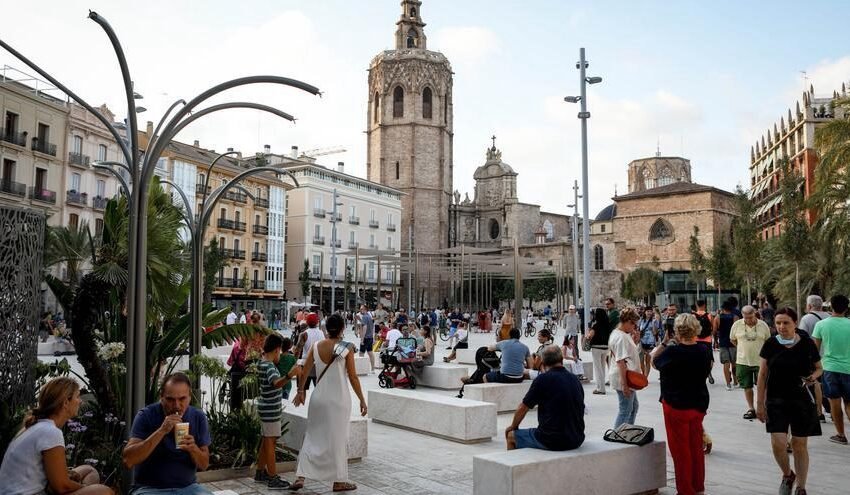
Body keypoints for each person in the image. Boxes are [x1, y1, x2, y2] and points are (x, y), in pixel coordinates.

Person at [290, 314, 367, 492]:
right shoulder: (346, 348)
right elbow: (353, 377)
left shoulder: (316, 346)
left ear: (326, 328)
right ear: (342, 329)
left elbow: (305, 369)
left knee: (312, 436)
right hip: (338, 399)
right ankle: (339, 481)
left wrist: (300, 391)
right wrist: (362, 399)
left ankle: (301, 476)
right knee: (338, 440)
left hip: (318, 399)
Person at [0, 377, 113, 495]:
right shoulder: (50, 432)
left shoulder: (37, 426)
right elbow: (61, 486)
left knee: (89, 471)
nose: (80, 401)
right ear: (65, 402)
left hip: (35, 488)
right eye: (77, 396)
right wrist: (84, 487)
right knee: (104, 492)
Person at [756, 307, 822, 495]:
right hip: (776, 400)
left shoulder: (807, 343)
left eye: (786, 323)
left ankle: (801, 487)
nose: (781, 327)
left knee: (799, 444)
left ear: (795, 323)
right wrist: (759, 403)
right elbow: (762, 375)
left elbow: (819, 368)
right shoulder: (770, 343)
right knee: (778, 443)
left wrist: (813, 377)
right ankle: (787, 474)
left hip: (802, 400)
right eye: (778, 323)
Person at [652, 314, 713, 495]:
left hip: (676, 405)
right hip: (698, 403)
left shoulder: (672, 352)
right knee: (695, 448)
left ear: (677, 331)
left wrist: (665, 342)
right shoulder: (704, 350)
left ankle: (686, 489)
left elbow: (655, 362)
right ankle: (698, 487)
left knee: (680, 452)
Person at [122, 372, 212, 494]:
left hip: (188, 488)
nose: (177, 405)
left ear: (189, 397)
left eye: (182, 399)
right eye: (170, 399)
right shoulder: (146, 416)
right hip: (150, 489)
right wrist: (162, 431)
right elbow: (128, 460)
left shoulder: (198, 417)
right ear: (162, 397)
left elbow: (204, 464)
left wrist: (193, 449)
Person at [505, 346, 585, 451]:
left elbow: (523, 408)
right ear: (561, 359)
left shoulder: (542, 379)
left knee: (511, 436)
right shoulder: (574, 379)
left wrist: (513, 426)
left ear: (543, 362)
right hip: (577, 438)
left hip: (552, 439)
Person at [255, 334, 301, 489]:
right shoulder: (269, 367)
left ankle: (260, 471)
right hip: (270, 411)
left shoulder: (262, 363)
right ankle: (273, 478)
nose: (280, 355)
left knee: (266, 440)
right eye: (279, 351)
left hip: (267, 409)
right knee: (270, 443)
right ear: (276, 350)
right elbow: (276, 383)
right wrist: (289, 375)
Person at [812, 294, 850, 445]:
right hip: (849, 369)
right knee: (849, 403)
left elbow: (814, 350)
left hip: (829, 368)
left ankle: (841, 435)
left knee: (834, 403)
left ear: (831, 307)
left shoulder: (821, 325)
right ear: (846, 308)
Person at [730, 305, 772, 420]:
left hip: (761, 362)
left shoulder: (763, 325)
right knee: (746, 386)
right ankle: (751, 408)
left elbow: (768, 342)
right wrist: (743, 348)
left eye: (751, 317)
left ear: (755, 314)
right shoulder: (737, 325)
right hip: (743, 361)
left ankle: (763, 408)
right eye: (746, 317)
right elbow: (733, 339)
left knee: (763, 386)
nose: (749, 320)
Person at [799, 294, 831, 422]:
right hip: (828, 356)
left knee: (815, 383)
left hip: (813, 356)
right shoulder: (829, 317)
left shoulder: (806, 319)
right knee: (826, 385)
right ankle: (831, 410)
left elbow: (801, 338)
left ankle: (819, 413)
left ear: (809, 305)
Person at [609, 308, 642, 428]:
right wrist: (625, 385)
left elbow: (625, 354)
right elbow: (621, 362)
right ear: (627, 321)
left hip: (625, 376)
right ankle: (619, 435)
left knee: (632, 407)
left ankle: (627, 431)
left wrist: (635, 341)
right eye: (633, 323)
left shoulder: (620, 334)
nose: (635, 326)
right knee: (626, 410)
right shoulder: (621, 337)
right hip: (624, 377)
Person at [294, 313, 325, 391]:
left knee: (302, 390)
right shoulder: (322, 333)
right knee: (318, 389)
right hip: (317, 365)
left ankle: (302, 402)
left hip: (305, 364)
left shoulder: (304, 334)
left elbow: (298, 350)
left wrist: (294, 363)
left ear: (307, 322)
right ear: (317, 322)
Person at [713, 300, 739, 391]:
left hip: (723, 343)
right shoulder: (735, 317)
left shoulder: (717, 318)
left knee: (726, 363)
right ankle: (735, 381)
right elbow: (738, 331)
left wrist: (715, 342)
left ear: (722, 308)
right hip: (733, 343)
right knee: (734, 363)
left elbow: (714, 331)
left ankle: (728, 384)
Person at [585, 308, 612, 395]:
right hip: (606, 348)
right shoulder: (608, 325)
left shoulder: (596, 326)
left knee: (598, 368)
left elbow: (590, 336)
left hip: (596, 348)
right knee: (602, 367)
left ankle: (601, 389)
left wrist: (587, 334)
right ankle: (601, 386)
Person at [693, 300, 716, 385]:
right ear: (704, 305)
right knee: (710, 358)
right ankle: (708, 372)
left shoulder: (693, 316)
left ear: (696, 305)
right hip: (707, 340)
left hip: (696, 340)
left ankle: (699, 374)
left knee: (697, 358)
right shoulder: (709, 315)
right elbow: (713, 329)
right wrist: (713, 338)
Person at [226, 335, 249, 411]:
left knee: (235, 399)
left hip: (235, 376)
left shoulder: (236, 345)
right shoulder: (249, 348)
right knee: (244, 398)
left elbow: (230, 362)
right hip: (246, 377)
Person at [638, 307, 661, 376]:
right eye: (647, 311)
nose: (649, 313)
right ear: (645, 312)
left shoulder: (654, 321)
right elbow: (638, 330)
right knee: (641, 360)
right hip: (642, 342)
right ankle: (643, 372)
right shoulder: (641, 320)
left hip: (650, 342)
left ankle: (645, 377)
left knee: (647, 360)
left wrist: (654, 324)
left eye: (650, 311)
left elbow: (655, 333)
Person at [356, 305, 376, 371]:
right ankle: (372, 368)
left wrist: (362, 339)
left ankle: (361, 369)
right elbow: (372, 327)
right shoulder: (369, 317)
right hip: (370, 337)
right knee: (370, 352)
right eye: (360, 309)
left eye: (362, 309)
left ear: (365, 309)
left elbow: (365, 327)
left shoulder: (364, 317)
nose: (360, 310)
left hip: (366, 338)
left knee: (361, 353)